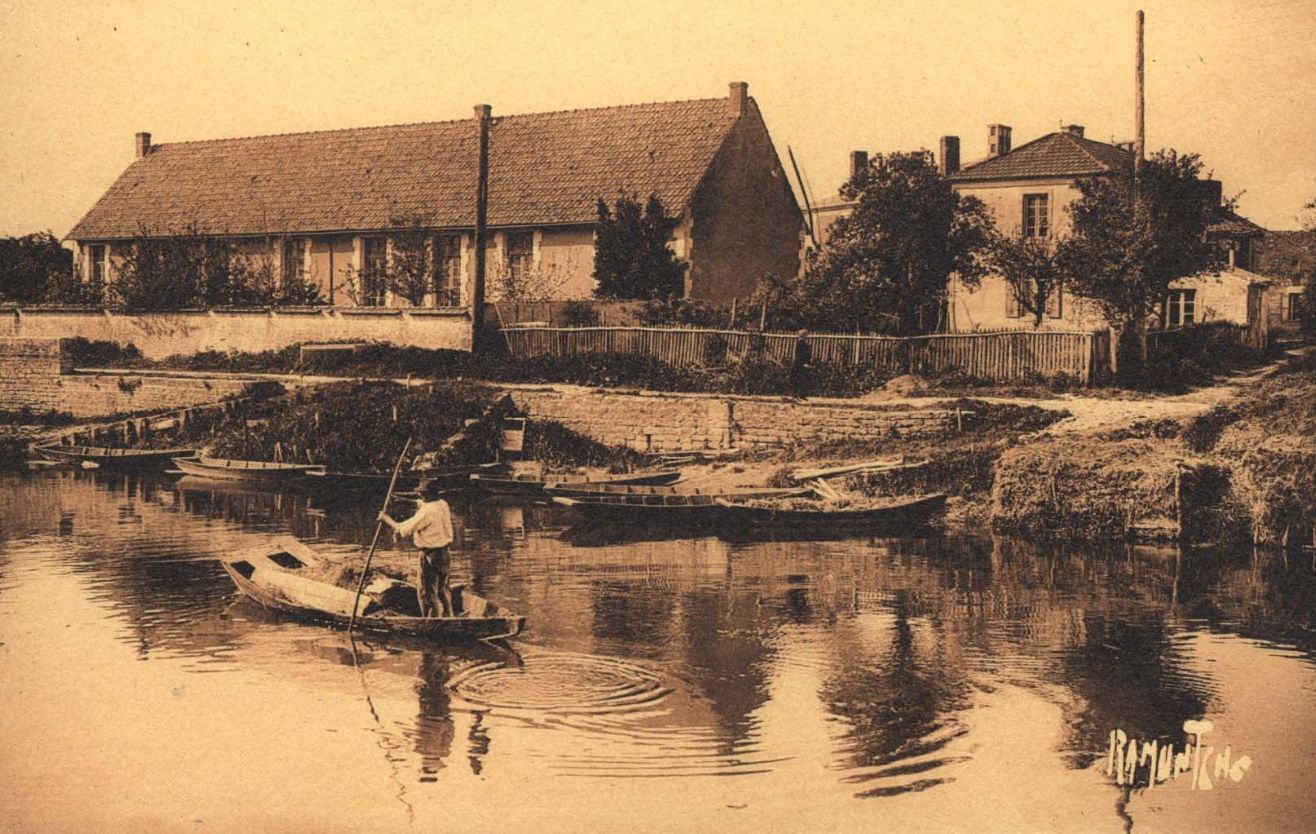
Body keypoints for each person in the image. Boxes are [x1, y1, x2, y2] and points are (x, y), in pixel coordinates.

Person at [379, 479, 455, 617]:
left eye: (423, 494)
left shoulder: (426, 513)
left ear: (429, 495)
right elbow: (420, 503)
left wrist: (386, 518)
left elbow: (403, 529)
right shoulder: (442, 504)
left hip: (430, 555)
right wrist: (399, 499)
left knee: (426, 592)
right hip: (445, 553)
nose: (421, 496)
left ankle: (432, 622)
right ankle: (449, 614)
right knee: (443, 589)